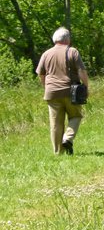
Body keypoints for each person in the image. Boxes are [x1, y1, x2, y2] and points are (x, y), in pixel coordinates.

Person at [36, 27, 89, 155]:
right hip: (71, 91)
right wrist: (86, 87)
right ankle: (68, 138)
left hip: (52, 93)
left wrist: (46, 87)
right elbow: (82, 71)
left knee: (55, 124)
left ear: (55, 39)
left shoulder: (46, 54)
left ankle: (58, 152)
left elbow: (40, 74)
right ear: (67, 39)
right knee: (76, 116)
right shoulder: (72, 51)